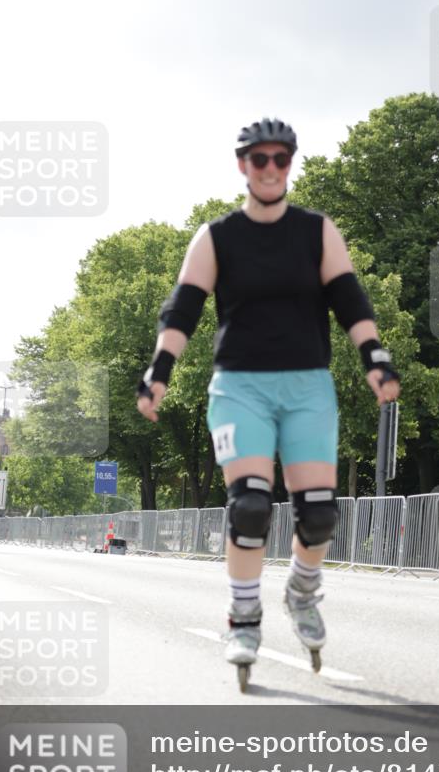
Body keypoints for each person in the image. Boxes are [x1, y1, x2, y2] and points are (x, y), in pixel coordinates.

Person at [137, 117, 399, 684]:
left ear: (290, 164)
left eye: (282, 159)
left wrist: (374, 357)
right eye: (261, 160)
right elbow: (182, 309)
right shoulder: (216, 237)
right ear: (243, 166)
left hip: (307, 385)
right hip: (240, 387)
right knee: (251, 507)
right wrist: (159, 371)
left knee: (320, 514)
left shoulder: (316, 231)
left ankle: (302, 591)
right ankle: (244, 613)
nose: (272, 169)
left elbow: (349, 298)